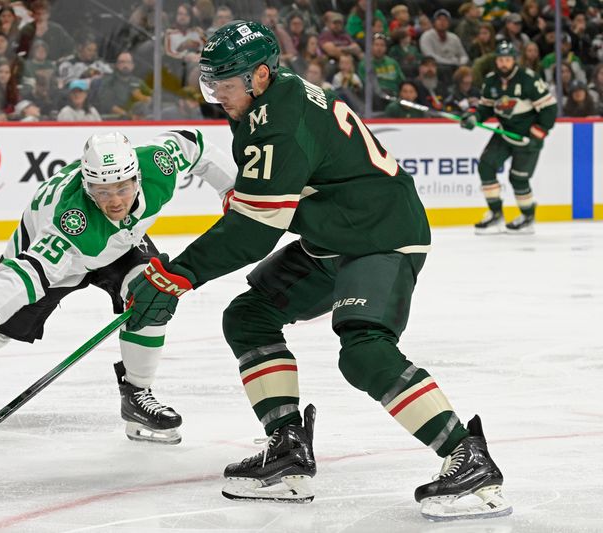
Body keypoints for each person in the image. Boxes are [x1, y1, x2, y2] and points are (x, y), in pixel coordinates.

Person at [125, 21, 512, 520]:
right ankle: (287, 446)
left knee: (365, 350)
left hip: (381, 236)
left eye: (224, 83)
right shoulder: (269, 101)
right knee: (248, 317)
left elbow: (256, 230)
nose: (215, 94)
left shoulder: (278, 120)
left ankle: (468, 456)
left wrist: (178, 273)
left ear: (260, 75)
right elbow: (282, 193)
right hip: (337, 234)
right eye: (210, 82)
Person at [0, 130, 236, 447]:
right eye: (102, 191)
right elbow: (28, 272)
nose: (116, 200)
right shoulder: (70, 221)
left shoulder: (158, 162)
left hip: (119, 246)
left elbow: (195, 144)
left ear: (137, 176)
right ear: (88, 187)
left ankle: (137, 395)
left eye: (122, 187)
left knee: (152, 297)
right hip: (57, 258)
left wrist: (233, 189)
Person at [460, 41, 557, 235]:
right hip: (504, 132)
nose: (504, 63)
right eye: (500, 60)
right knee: (486, 166)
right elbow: (485, 107)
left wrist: (537, 134)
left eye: (507, 59)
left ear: (514, 60)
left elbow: (549, 108)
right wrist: (473, 116)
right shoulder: (491, 80)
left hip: (528, 137)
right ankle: (496, 214)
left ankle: (528, 216)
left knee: (518, 179)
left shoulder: (528, 79)